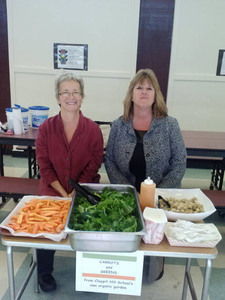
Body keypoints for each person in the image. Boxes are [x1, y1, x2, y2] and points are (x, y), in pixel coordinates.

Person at [105, 68, 187, 282]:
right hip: (126, 192)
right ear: (131, 93)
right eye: (139, 87)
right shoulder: (118, 124)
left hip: (161, 194)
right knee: (126, 230)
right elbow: (110, 160)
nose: (143, 92)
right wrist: (127, 191)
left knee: (154, 237)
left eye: (149, 88)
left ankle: (151, 269)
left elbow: (179, 162)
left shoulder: (170, 125)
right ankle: (123, 271)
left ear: (156, 94)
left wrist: (160, 193)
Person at [35, 72, 104, 292]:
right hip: (52, 191)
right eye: (65, 92)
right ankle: (44, 272)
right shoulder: (46, 128)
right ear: (57, 98)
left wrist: (75, 191)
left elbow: (94, 163)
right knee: (46, 230)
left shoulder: (93, 129)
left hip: (83, 191)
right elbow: (44, 166)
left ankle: (92, 274)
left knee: (91, 230)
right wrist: (62, 194)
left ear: (82, 97)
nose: (70, 96)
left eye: (75, 92)